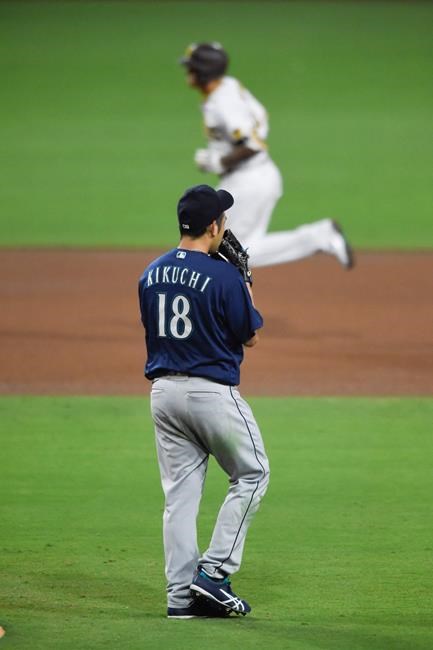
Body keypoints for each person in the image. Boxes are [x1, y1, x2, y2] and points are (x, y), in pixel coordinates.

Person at [138, 184, 269, 619]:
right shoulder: (225, 276)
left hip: (163, 396)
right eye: (223, 220)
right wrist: (245, 281)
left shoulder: (150, 273)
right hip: (210, 395)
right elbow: (250, 335)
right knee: (252, 474)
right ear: (213, 226)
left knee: (179, 498)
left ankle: (180, 599)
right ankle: (213, 573)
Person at [180, 42, 354, 269]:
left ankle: (321, 236)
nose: (187, 71)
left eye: (191, 67)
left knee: (231, 253)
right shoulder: (228, 86)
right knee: (234, 251)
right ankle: (321, 235)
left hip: (249, 181)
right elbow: (261, 119)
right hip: (254, 176)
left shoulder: (222, 103)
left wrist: (219, 160)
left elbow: (254, 144)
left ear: (203, 72)